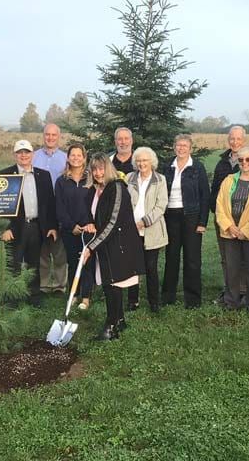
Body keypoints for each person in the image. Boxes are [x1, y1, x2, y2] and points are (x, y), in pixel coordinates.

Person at [80, 153, 144, 340]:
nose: (98, 173)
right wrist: (90, 223)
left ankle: (111, 326)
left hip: (119, 243)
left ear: (108, 168)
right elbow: (93, 214)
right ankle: (120, 320)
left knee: (114, 282)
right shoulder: (96, 189)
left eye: (101, 168)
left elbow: (112, 222)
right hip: (105, 243)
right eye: (94, 169)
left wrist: (91, 247)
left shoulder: (116, 187)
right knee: (109, 282)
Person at [210, 125, 249, 303]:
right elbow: (216, 193)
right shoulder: (222, 163)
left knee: (247, 262)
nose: (235, 142)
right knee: (228, 260)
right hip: (225, 219)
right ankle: (230, 292)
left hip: (248, 224)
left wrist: (245, 228)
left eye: (238, 139)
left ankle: (244, 293)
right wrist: (222, 219)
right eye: (232, 139)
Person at [0, 139, 58, 306]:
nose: (23, 155)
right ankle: (13, 297)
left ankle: (34, 296)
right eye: (20, 152)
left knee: (34, 263)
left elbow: (50, 203)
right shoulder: (4, 175)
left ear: (32, 154)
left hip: (37, 226)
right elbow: (1, 205)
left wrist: (52, 226)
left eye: (27, 152)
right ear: (15, 155)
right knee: (14, 263)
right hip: (16, 228)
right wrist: (5, 228)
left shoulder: (43, 175)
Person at [161, 133, 210, 308]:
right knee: (171, 256)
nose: (181, 148)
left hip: (192, 216)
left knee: (192, 258)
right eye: (178, 145)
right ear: (174, 147)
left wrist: (202, 222)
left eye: (184, 146)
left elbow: (205, 196)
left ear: (190, 148)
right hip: (171, 216)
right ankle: (168, 296)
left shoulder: (197, 167)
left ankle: (193, 298)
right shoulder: (168, 167)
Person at [126, 146, 168, 312]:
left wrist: (144, 222)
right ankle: (132, 301)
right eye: (139, 160)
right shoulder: (129, 178)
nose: (141, 163)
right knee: (132, 267)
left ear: (152, 162)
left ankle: (154, 302)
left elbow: (161, 205)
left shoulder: (160, 179)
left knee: (151, 267)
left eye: (145, 160)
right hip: (131, 230)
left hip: (151, 230)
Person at [55, 142, 95, 310]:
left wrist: (91, 224)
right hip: (70, 230)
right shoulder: (62, 181)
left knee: (87, 262)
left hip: (89, 229)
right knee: (73, 262)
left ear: (84, 158)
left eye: (79, 155)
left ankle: (86, 297)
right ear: (68, 157)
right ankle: (74, 294)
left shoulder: (92, 178)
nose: (76, 158)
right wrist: (71, 226)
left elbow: (96, 203)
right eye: (73, 155)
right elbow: (60, 207)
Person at [33, 123, 68, 294]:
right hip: (40, 208)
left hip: (59, 206)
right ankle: (45, 284)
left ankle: (61, 284)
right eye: (47, 134)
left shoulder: (66, 158)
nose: (50, 138)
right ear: (43, 136)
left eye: (54, 135)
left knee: (59, 250)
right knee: (43, 250)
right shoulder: (33, 157)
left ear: (59, 137)